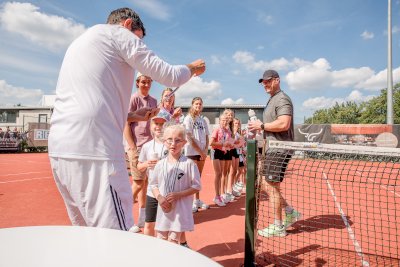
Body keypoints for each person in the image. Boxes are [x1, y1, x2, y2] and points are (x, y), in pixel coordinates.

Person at [48, 7, 205, 231]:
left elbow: (91, 101)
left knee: (84, 233)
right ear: (128, 25)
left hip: (60, 149)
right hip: (95, 150)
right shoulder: (119, 34)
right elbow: (169, 75)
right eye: (138, 39)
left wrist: (131, 115)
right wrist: (192, 68)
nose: (138, 44)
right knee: (118, 237)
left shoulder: (80, 43)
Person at [248, 69, 300, 237]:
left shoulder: (282, 98)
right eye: (263, 82)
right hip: (271, 148)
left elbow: (284, 123)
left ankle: (278, 226)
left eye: (268, 81)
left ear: (277, 80)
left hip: (279, 148)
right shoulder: (272, 100)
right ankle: (290, 212)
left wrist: (261, 126)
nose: (265, 84)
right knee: (266, 184)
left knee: (271, 186)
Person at [150, 124, 201, 244]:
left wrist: (178, 195)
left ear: (184, 143)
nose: (173, 144)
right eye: (169, 140)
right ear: (164, 142)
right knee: (161, 240)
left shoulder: (189, 164)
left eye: (178, 140)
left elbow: (197, 186)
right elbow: (153, 185)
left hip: (180, 211)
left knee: (173, 241)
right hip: (163, 209)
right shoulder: (160, 164)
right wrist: (160, 197)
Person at [124, 72, 158, 233]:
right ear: (137, 83)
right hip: (136, 146)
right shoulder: (133, 99)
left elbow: (152, 123)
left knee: (145, 184)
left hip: (149, 146)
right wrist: (131, 145)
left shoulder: (153, 101)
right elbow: (125, 120)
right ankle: (122, 214)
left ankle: (141, 218)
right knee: (138, 183)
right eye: (143, 82)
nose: (146, 84)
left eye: (148, 82)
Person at [136, 114, 169, 236]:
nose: (159, 127)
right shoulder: (147, 146)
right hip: (152, 191)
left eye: (162, 124)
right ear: (151, 126)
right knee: (149, 224)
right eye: (156, 124)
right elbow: (139, 167)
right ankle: (148, 250)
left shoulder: (171, 144)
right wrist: (146, 164)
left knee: (166, 225)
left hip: (168, 191)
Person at [183, 97, 210, 213]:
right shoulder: (188, 118)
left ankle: (197, 200)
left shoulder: (203, 120)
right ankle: (189, 202)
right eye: (196, 104)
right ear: (192, 105)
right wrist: (200, 151)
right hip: (192, 152)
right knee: (191, 178)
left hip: (202, 153)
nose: (198, 106)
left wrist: (205, 151)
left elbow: (207, 136)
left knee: (198, 178)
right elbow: (189, 137)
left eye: (200, 104)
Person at [210, 114, 233, 207]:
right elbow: (211, 143)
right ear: (219, 121)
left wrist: (230, 144)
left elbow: (229, 143)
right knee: (218, 174)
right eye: (223, 120)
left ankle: (220, 195)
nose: (225, 122)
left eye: (226, 120)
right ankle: (217, 196)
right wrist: (222, 144)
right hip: (216, 152)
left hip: (224, 152)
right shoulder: (217, 129)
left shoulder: (228, 131)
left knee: (222, 173)